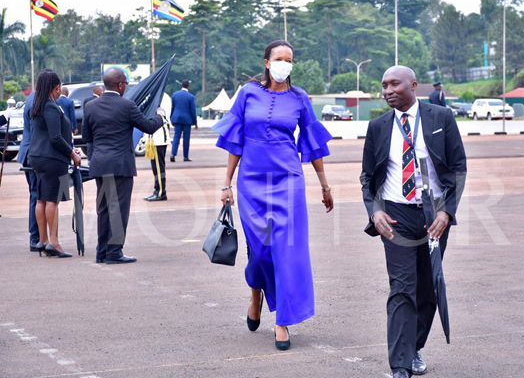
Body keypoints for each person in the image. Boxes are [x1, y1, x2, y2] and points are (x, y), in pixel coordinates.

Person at [212, 40, 334, 351]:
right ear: (267, 62)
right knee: (262, 250)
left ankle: (282, 321)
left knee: (287, 251)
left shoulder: (299, 98)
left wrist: (324, 184)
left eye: (289, 60)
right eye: (279, 58)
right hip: (251, 181)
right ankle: (256, 290)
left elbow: (312, 142)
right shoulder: (248, 93)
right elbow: (234, 140)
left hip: (288, 180)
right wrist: (226, 184)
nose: (284, 64)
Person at [361, 66, 466, 378]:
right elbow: (368, 177)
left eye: (395, 84)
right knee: (402, 288)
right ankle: (401, 363)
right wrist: (374, 210)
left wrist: (446, 211)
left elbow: (458, 167)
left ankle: (416, 345)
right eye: (384, 85)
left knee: (428, 288)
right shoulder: (378, 126)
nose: (388, 90)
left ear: (414, 86)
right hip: (395, 215)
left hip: (433, 214)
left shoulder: (441, 118)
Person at [82, 68, 163, 264]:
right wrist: (160, 116)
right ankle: (114, 253)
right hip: (120, 164)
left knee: (104, 208)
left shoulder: (90, 106)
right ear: (120, 85)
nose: (126, 87)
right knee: (119, 209)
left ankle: (101, 252)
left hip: (100, 163)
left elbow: (86, 137)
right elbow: (149, 126)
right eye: (125, 83)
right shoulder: (127, 105)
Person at [28, 70, 82, 258]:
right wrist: (72, 154)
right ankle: (55, 243)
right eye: (59, 87)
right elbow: (56, 137)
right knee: (52, 200)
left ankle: (42, 241)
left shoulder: (38, 104)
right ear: (55, 87)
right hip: (52, 159)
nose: (60, 91)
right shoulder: (51, 106)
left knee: (41, 199)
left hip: (38, 157)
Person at [17, 91, 41, 252]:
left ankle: (37, 236)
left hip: (29, 152)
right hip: (34, 154)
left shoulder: (33, 96)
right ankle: (35, 237)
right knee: (37, 195)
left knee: (36, 194)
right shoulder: (37, 101)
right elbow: (35, 133)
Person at [144, 106, 170, 201]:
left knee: (159, 168)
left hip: (158, 141)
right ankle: (157, 190)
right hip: (155, 141)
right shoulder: (154, 109)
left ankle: (161, 192)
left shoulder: (159, 111)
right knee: (156, 168)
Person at [170, 80, 197, 162]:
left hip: (177, 118)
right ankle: (185, 156)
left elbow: (173, 107)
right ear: (188, 86)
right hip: (187, 120)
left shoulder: (174, 95)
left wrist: (171, 118)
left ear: (181, 85)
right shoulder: (190, 97)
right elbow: (193, 110)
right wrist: (195, 122)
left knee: (176, 137)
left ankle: (173, 154)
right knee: (186, 138)